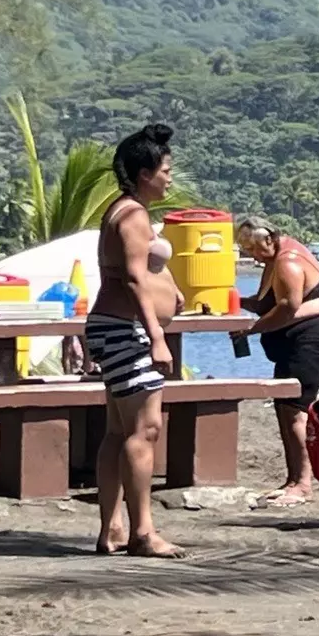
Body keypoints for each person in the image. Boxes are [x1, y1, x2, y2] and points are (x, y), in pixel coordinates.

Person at [84, 123, 183, 559]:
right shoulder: (132, 215)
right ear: (145, 173)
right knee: (145, 429)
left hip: (118, 327)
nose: (170, 177)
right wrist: (157, 336)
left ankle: (113, 529)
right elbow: (134, 278)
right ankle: (142, 531)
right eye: (165, 169)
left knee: (119, 430)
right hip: (126, 329)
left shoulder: (125, 210)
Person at [237, 218, 319, 507]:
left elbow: (287, 307)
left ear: (269, 239)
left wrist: (253, 329)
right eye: (247, 250)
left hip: (308, 339)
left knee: (296, 409)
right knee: (283, 406)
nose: (252, 255)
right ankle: (292, 478)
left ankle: (303, 483)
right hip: (290, 341)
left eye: (254, 248)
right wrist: (235, 301)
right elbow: (264, 302)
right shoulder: (273, 260)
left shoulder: (288, 262)